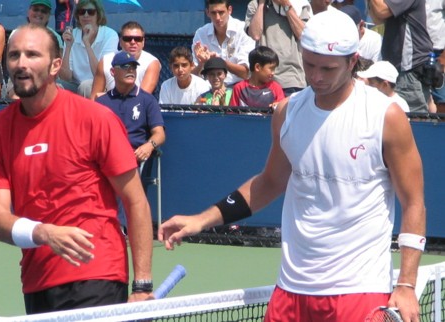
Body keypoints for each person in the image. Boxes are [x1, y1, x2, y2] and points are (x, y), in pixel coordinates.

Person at [159, 10, 425, 322]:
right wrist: (202, 219)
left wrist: (406, 283)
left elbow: (414, 202)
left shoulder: (385, 116)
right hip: (291, 292)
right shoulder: (287, 113)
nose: (316, 76)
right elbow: (269, 182)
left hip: (359, 290)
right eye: (309, 64)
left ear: (353, 61)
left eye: (327, 68)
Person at [0, 24, 153, 314]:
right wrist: (43, 233)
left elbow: (135, 202)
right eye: (14, 55)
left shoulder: (96, 119)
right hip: (37, 281)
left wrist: (143, 285)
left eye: (32, 55)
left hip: (97, 273)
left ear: (56, 65)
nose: (21, 63)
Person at [96, 51, 165, 166]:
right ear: (113, 72)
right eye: (125, 67)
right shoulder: (102, 102)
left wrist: (149, 145)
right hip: (106, 158)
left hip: (134, 158)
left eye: (133, 67)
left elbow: (160, 134)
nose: (130, 70)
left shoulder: (147, 100)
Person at [368, 0, 434, 113]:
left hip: (409, 69)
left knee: (412, 122)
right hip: (398, 70)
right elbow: (377, 18)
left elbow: (381, 10)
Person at [245, 0, 310, 97]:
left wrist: (286, 4)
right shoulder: (254, 4)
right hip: (263, 80)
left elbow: (303, 34)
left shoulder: (300, 4)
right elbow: (255, 35)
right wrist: (261, 4)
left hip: (291, 79)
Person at [59, 0, 119, 98]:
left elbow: (101, 75)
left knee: (85, 86)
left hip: (101, 86)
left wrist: (87, 44)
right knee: (56, 85)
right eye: (82, 12)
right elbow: (65, 78)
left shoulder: (110, 35)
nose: (86, 15)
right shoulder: (72, 35)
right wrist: (68, 47)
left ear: (98, 15)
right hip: (76, 85)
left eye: (90, 12)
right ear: (78, 16)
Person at [6, 0, 65, 99]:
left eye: (43, 11)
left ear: (48, 16)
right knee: (16, 96)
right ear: (29, 12)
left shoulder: (55, 37)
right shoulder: (16, 34)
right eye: (36, 9)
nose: (39, 13)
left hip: (48, 79)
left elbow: (59, 69)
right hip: (17, 78)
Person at [90, 21, 161, 100]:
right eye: (127, 39)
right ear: (120, 42)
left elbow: (142, 98)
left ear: (143, 42)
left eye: (138, 39)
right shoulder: (105, 61)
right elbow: (94, 98)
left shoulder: (152, 62)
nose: (133, 42)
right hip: (109, 108)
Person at [191, 0, 255, 87]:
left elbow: (245, 73)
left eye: (221, 12)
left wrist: (219, 61)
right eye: (213, 13)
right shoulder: (201, 34)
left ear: (229, 10)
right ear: (207, 13)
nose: (217, 18)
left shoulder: (243, 30)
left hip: (238, 87)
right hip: (209, 88)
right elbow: (193, 77)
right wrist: (201, 63)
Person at [425, 0, 445, 113]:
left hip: (438, 53)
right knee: (419, 99)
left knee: (441, 99)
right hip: (415, 53)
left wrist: (444, 56)